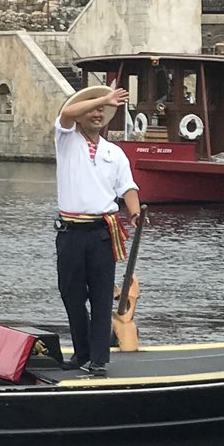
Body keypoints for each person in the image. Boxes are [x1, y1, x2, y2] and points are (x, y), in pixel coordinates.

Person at [54, 84, 141, 375]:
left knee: (102, 296)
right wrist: (103, 98)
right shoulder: (66, 139)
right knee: (71, 294)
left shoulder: (114, 152)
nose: (97, 114)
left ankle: (99, 359)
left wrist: (136, 211)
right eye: (91, 109)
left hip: (102, 231)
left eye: (101, 110)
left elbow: (127, 186)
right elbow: (66, 113)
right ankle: (82, 353)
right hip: (71, 232)